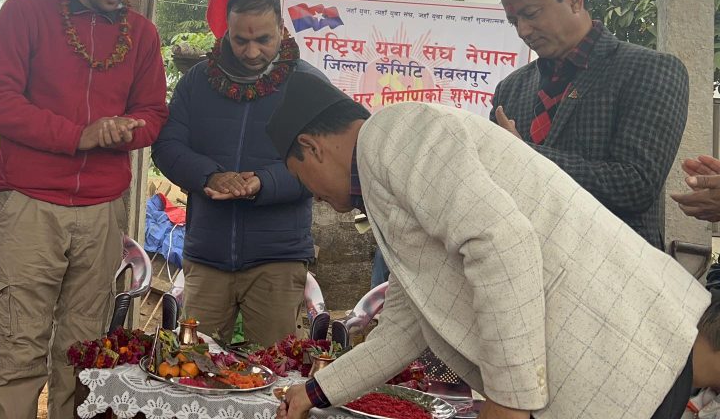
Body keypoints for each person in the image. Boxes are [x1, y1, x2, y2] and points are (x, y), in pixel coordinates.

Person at [266, 71, 712, 419]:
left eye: (299, 175)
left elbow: (500, 244)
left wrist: (508, 400)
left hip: (618, 358)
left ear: (312, 147)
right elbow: (406, 326)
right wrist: (314, 392)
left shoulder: (391, 134)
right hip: (614, 372)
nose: (312, 195)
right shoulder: (383, 177)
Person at [0, 0, 167, 419]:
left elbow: (153, 113)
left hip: (102, 213)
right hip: (29, 207)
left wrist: (126, 129)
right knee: (19, 352)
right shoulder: (25, 13)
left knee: (82, 357)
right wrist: (78, 136)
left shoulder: (142, 35)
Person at [152, 0, 316, 346]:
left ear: (281, 30)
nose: (251, 52)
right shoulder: (197, 81)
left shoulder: (307, 85)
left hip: (277, 259)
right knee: (192, 365)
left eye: (263, 40)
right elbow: (166, 146)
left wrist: (263, 182)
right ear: (227, 30)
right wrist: (208, 176)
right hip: (207, 255)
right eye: (241, 40)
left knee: (275, 368)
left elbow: (322, 165)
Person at [490, 0, 688, 250]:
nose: (523, 31)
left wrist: (524, 155)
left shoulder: (650, 69)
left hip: (615, 264)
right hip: (525, 260)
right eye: (513, 21)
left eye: (530, 14)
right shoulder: (511, 88)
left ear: (574, 0)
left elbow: (635, 186)